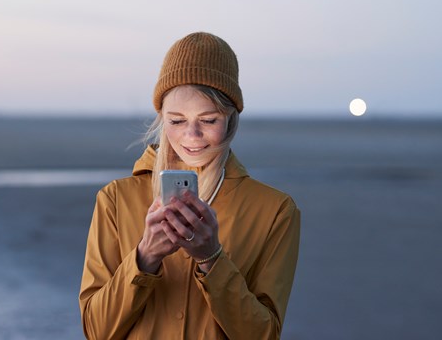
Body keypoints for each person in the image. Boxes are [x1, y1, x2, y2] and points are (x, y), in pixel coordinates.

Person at [79, 32, 300, 339]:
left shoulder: (275, 210)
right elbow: (96, 331)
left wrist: (211, 259)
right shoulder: (115, 199)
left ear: (231, 119)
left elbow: (264, 334)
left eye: (208, 120)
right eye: (177, 120)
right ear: (161, 118)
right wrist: (145, 257)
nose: (192, 136)